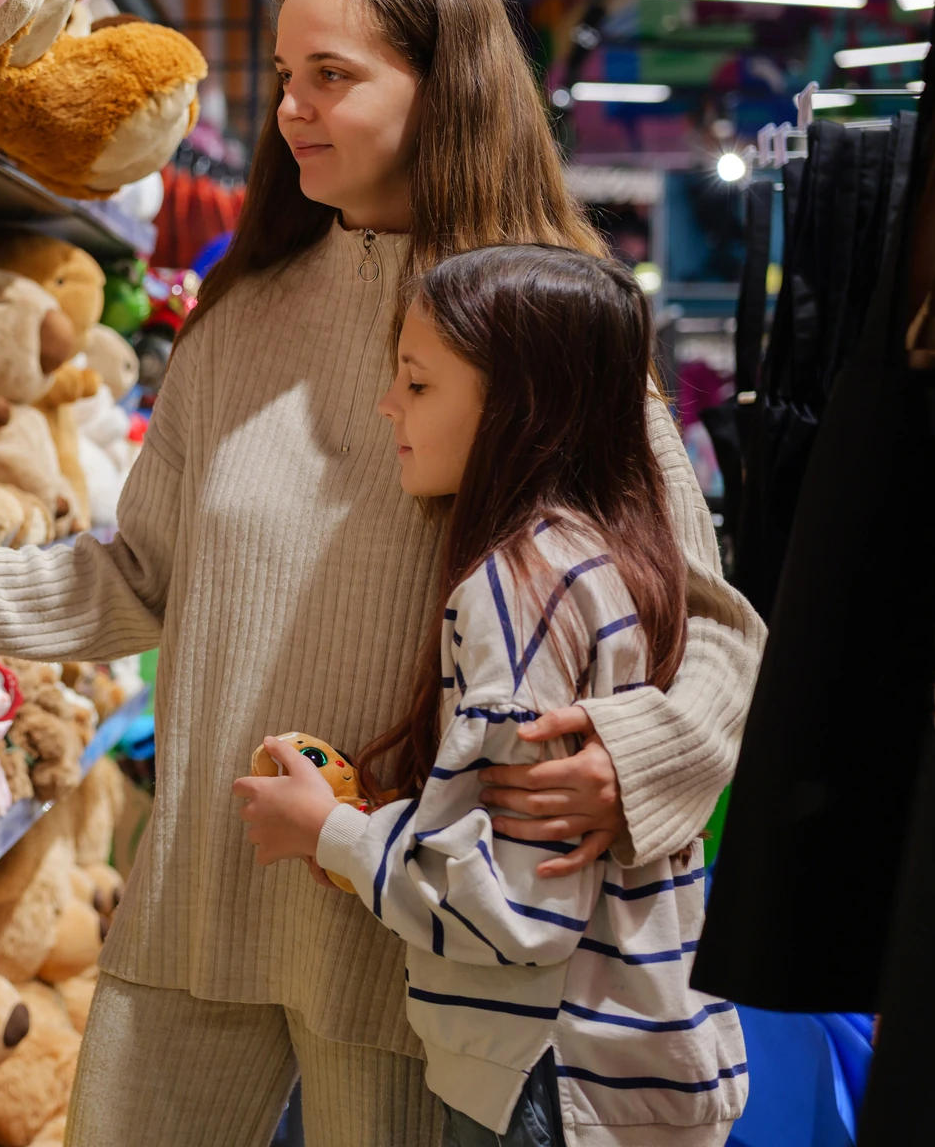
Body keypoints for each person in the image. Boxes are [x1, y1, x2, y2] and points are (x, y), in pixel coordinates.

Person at [0, 0, 762, 1146]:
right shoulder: (237, 318)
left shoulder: (541, 326)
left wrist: (633, 760)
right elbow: (136, 579)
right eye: (289, 75)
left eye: (333, 77)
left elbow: (712, 623)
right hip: (202, 900)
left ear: (445, 86)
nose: (294, 109)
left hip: (414, 942)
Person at [234, 245, 746, 1147]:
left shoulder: (515, 586)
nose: (389, 405)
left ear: (519, 407)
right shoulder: (613, 554)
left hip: (546, 1074)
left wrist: (331, 832)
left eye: (419, 385)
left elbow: (515, 912)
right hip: (633, 1044)